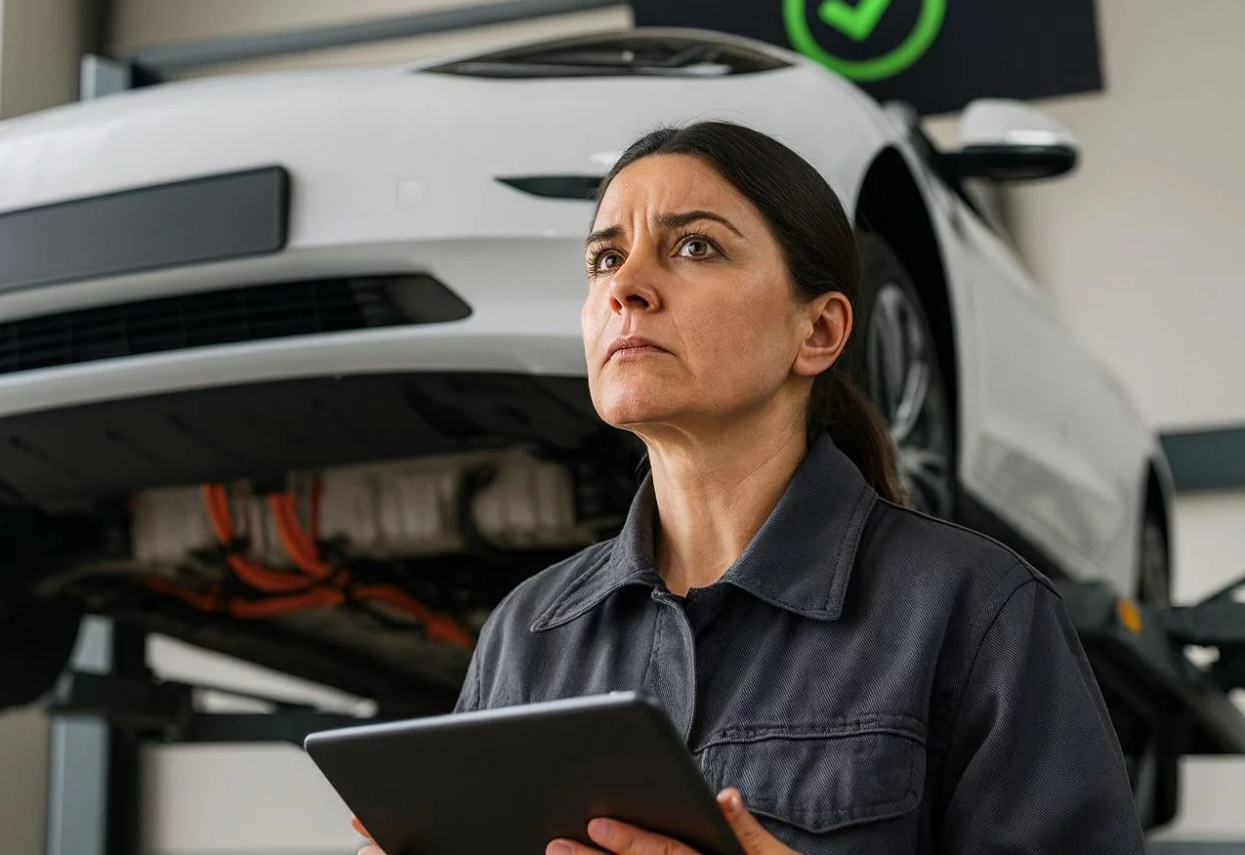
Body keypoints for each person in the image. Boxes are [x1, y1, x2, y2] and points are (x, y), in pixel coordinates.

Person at [351, 121, 1145, 854]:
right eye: (604, 258)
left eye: (694, 248)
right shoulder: (528, 634)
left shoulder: (975, 611)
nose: (627, 286)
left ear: (820, 331)